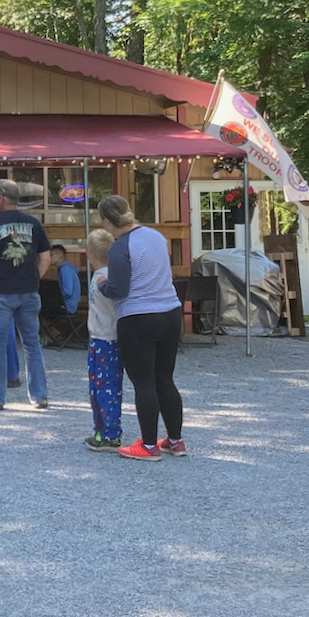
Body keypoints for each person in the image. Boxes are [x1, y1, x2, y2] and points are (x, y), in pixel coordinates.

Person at [97, 194, 185, 461]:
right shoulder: (155, 236)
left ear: (106, 220)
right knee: (165, 379)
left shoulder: (119, 247)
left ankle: (148, 446)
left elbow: (119, 290)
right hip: (170, 311)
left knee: (144, 382)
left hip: (138, 317)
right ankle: (175, 440)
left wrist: (102, 282)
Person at [0, 178, 51, 410]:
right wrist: (34, 278)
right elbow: (46, 257)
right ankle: (39, 397)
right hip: (29, 291)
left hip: (1, 291)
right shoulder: (34, 223)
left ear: (0, 198)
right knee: (32, 344)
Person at [83, 228, 123, 451]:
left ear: (89, 253)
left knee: (104, 387)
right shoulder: (108, 274)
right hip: (103, 337)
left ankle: (109, 433)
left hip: (105, 337)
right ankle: (103, 430)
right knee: (102, 387)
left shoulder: (103, 278)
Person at [50, 244, 81, 314]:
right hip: (67, 306)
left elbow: (68, 292)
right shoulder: (63, 269)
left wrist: (54, 297)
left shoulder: (65, 270)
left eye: (51, 255)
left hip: (67, 307)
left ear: (60, 256)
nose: (49, 257)